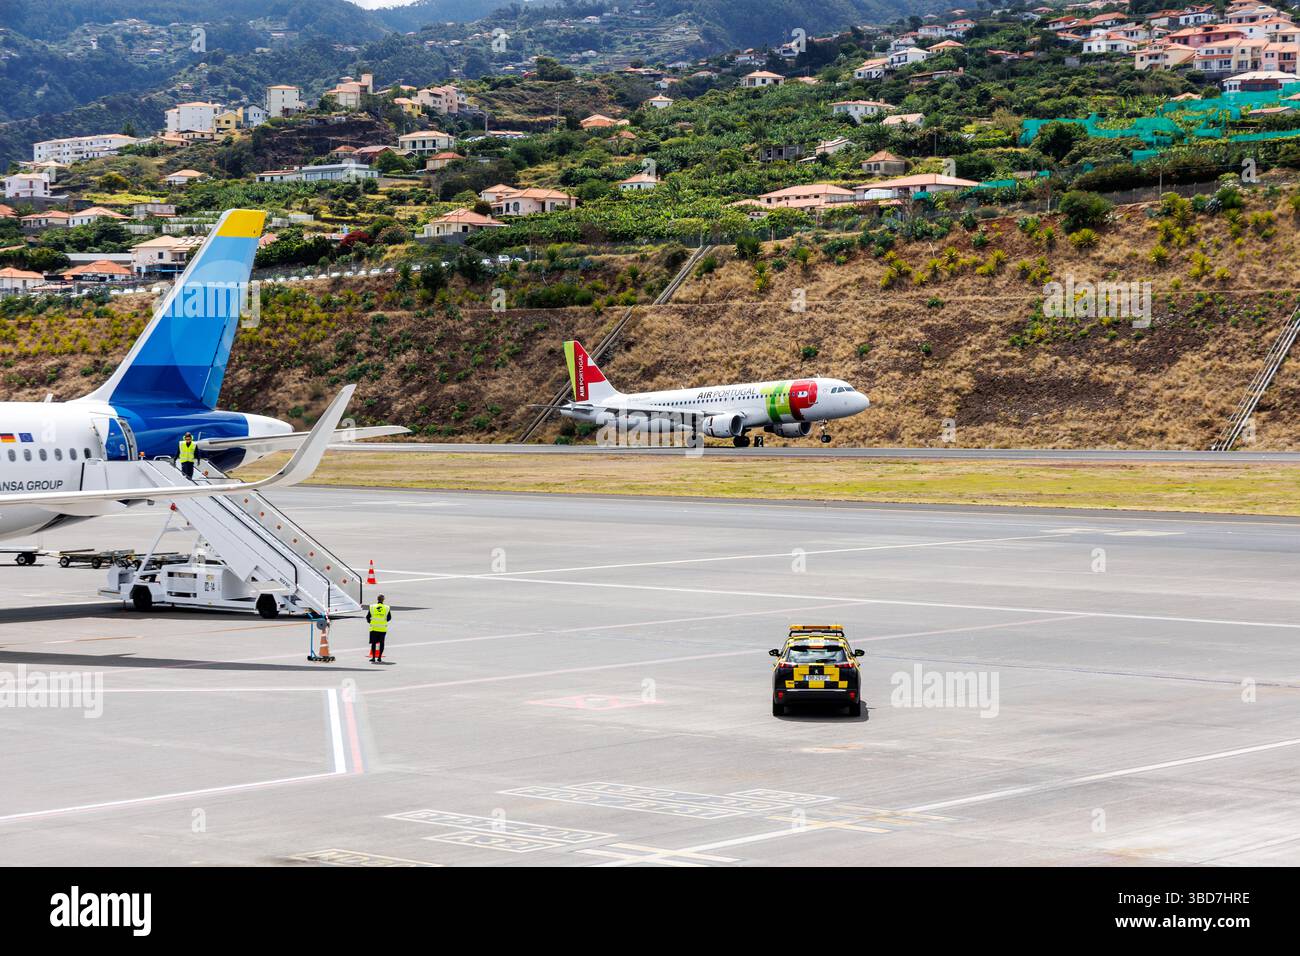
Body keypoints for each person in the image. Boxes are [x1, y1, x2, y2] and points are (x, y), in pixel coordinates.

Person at [366, 595, 391, 663]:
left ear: (377, 599)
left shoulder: (372, 607)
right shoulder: (386, 607)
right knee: (382, 643)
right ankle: (379, 657)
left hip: (374, 627)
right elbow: (389, 618)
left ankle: (373, 657)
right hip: (382, 628)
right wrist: (383, 621)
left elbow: (367, 617)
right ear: (383, 600)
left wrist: (370, 622)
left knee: (373, 643)